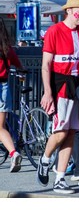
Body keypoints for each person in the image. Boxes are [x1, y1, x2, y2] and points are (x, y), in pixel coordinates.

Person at [37, 0, 79, 194]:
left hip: (76, 84)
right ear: (68, 11)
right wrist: (48, 92)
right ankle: (45, 159)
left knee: (71, 131)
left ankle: (59, 179)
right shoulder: (54, 31)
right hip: (59, 83)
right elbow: (46, 65)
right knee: (60, 131)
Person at [0, 18, 24, 173]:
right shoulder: (6, 47)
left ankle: (14, 153)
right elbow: (17, 63)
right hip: (4, 86)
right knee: (0, 127)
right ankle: (13, 153)